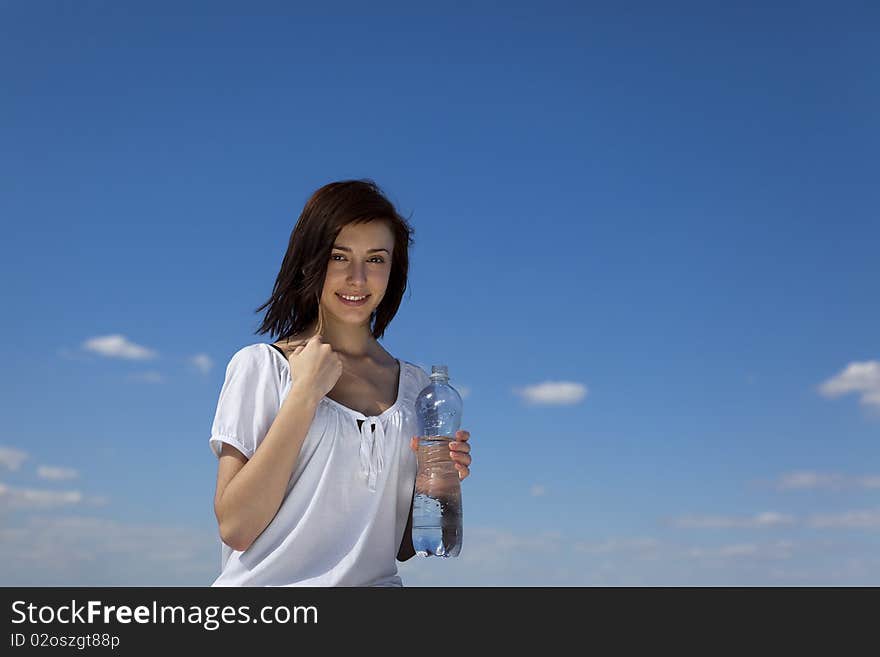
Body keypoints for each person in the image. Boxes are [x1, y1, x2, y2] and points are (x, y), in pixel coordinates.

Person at [208, 179, 473, 586]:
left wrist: (437, 480)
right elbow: (237, 527)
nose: (357, 278)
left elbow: (396, 546)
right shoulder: (262, 367)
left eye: (376, 259)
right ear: (309, 259)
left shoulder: (416, 388)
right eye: (339, 256)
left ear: (394, 270)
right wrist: (305, 395)